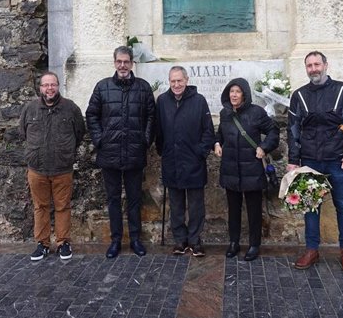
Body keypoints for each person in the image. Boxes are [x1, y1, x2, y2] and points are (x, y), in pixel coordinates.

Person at [287, 51, 343, 275]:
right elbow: (293, 129)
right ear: (306, 69)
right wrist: (293, 160)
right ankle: (312, 250)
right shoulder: (299, 95)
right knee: (311, 208)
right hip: (310, 161)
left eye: (317, 64)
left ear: (325, 65)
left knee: (342, 206)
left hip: (337, 160)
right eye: (309, 65)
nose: (314, 69)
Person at [85, 46, 156, 259]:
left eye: (126, 62)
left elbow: (152, 117)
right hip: (110, 153)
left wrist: (145, 141)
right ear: (114, 62)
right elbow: (91, 115)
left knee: (135, 199)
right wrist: (100, 140)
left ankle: (135, 239)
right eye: (119, 62)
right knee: (113, 199)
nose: (123, 66)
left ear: (132, 63)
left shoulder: (143, 88)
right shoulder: (102, 87)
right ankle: (116, 240)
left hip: (135, 152)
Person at [19, 71, 86, 261]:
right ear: (40, 88)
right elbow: (23, 133)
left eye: (53, 84)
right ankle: (43, 243)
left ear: (58, 86)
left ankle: (63, 242)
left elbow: (79, 132)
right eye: (46, 85)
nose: (50, 88)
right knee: (40, 206)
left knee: (62, 206)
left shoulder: (70, 108)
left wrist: (66, 152)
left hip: (62, 169)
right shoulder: (30, 109)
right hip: (37, 169)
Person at [214, 78, 279, 261]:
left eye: (237, 91)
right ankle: (234, 242)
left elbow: (273, 131)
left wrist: (264, 147)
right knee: (233, 209)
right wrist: (217, 143)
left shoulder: (256, 112)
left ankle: (254, 244)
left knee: (254, 210)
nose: (233, 95)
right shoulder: (225, 114)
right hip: (231, 169)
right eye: (231, 91)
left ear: (244, 94)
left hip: (252, 169)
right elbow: (219, 134)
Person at [155, 66, 215, 257]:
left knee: (196, 206)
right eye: (173, 81)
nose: (176, 84)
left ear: (187, 80)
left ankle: (195, 241)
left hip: (194, 162)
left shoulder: (199, 101)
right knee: (176, 205)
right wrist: (163, 151)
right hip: (171, 161)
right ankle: (180, 240)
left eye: (179, 80)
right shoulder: (163, 101)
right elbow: (159, 130)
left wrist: (201, 152)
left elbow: (208, 131)